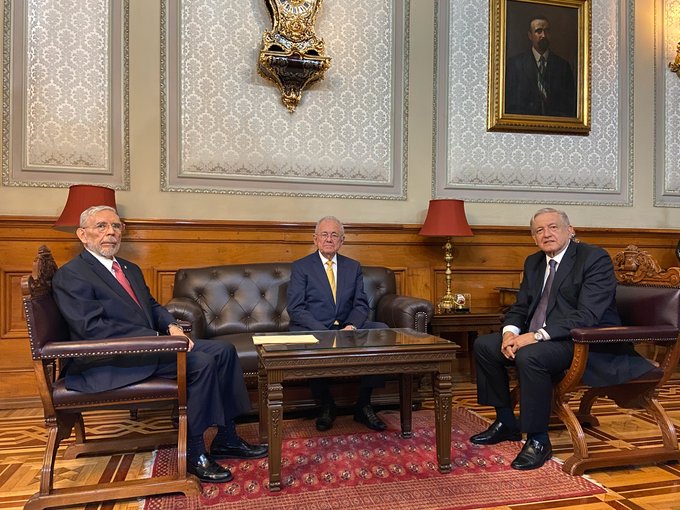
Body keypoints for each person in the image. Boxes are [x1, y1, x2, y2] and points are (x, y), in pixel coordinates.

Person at [52, 205, 267, 484]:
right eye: (101, 226)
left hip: (145, 348)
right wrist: (157, 339)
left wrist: (171, 326)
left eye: (116, 226)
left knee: (224, 350)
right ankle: (194, 453)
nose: (111, 232)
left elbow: (152, 306)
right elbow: (92, 329)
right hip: (109, 360)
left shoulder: (128, 268)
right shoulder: (72, 274)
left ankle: (227, 438)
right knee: (201, 362)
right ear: (82, 235)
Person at [470, 208, 654, 470]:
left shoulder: (593, 258)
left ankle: (538, 440)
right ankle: (506, 422)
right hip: (545, 339)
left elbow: (587, 315)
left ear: (570, 230)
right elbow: (521, 307)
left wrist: (535, 336)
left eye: (553, 227)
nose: (547, 234)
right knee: (485, 346)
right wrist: (510, 333)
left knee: (529, 355)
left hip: (584, 341)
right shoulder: (534, 262)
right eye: (539, 230)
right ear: (534, 238)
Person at [287, 216, 388, 432]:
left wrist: (351, 326)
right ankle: (326, 404)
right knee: (310, 341)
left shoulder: (353, 267)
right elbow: (296, 308)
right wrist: (323, 331)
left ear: (342, 240)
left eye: (334, 235)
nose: (329, 239)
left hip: (346, 327)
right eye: (324, 234)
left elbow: (360, 304)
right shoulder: (301, 267)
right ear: (315, 239)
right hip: (315, 327)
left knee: (381, 332)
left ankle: (363, 404)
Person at [505, 16, 576, 117]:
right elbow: (510, 104)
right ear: (530, 35)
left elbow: (570, 105)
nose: (543, 35)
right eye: (538, 31)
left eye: (547, 31)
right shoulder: (515, 65)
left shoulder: (563, 67)